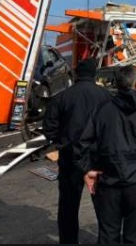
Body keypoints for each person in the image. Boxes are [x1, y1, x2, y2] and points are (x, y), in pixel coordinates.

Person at [76, 65, 136, 244]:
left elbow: (82, 143)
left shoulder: (102, 111)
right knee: (135, 236)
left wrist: (87, 169)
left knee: (108, 234)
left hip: (108, 180)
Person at [42, 57, 111, 245]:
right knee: (104, 204)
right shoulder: (105, 96)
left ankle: (69, 241)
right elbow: (113, 126)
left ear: (76, 74)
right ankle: (106, 240)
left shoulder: (62, 97)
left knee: (68, 206)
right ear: (94, 74)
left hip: (70, 156)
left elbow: (48, 128)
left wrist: (61, 142)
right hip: (98, 158)